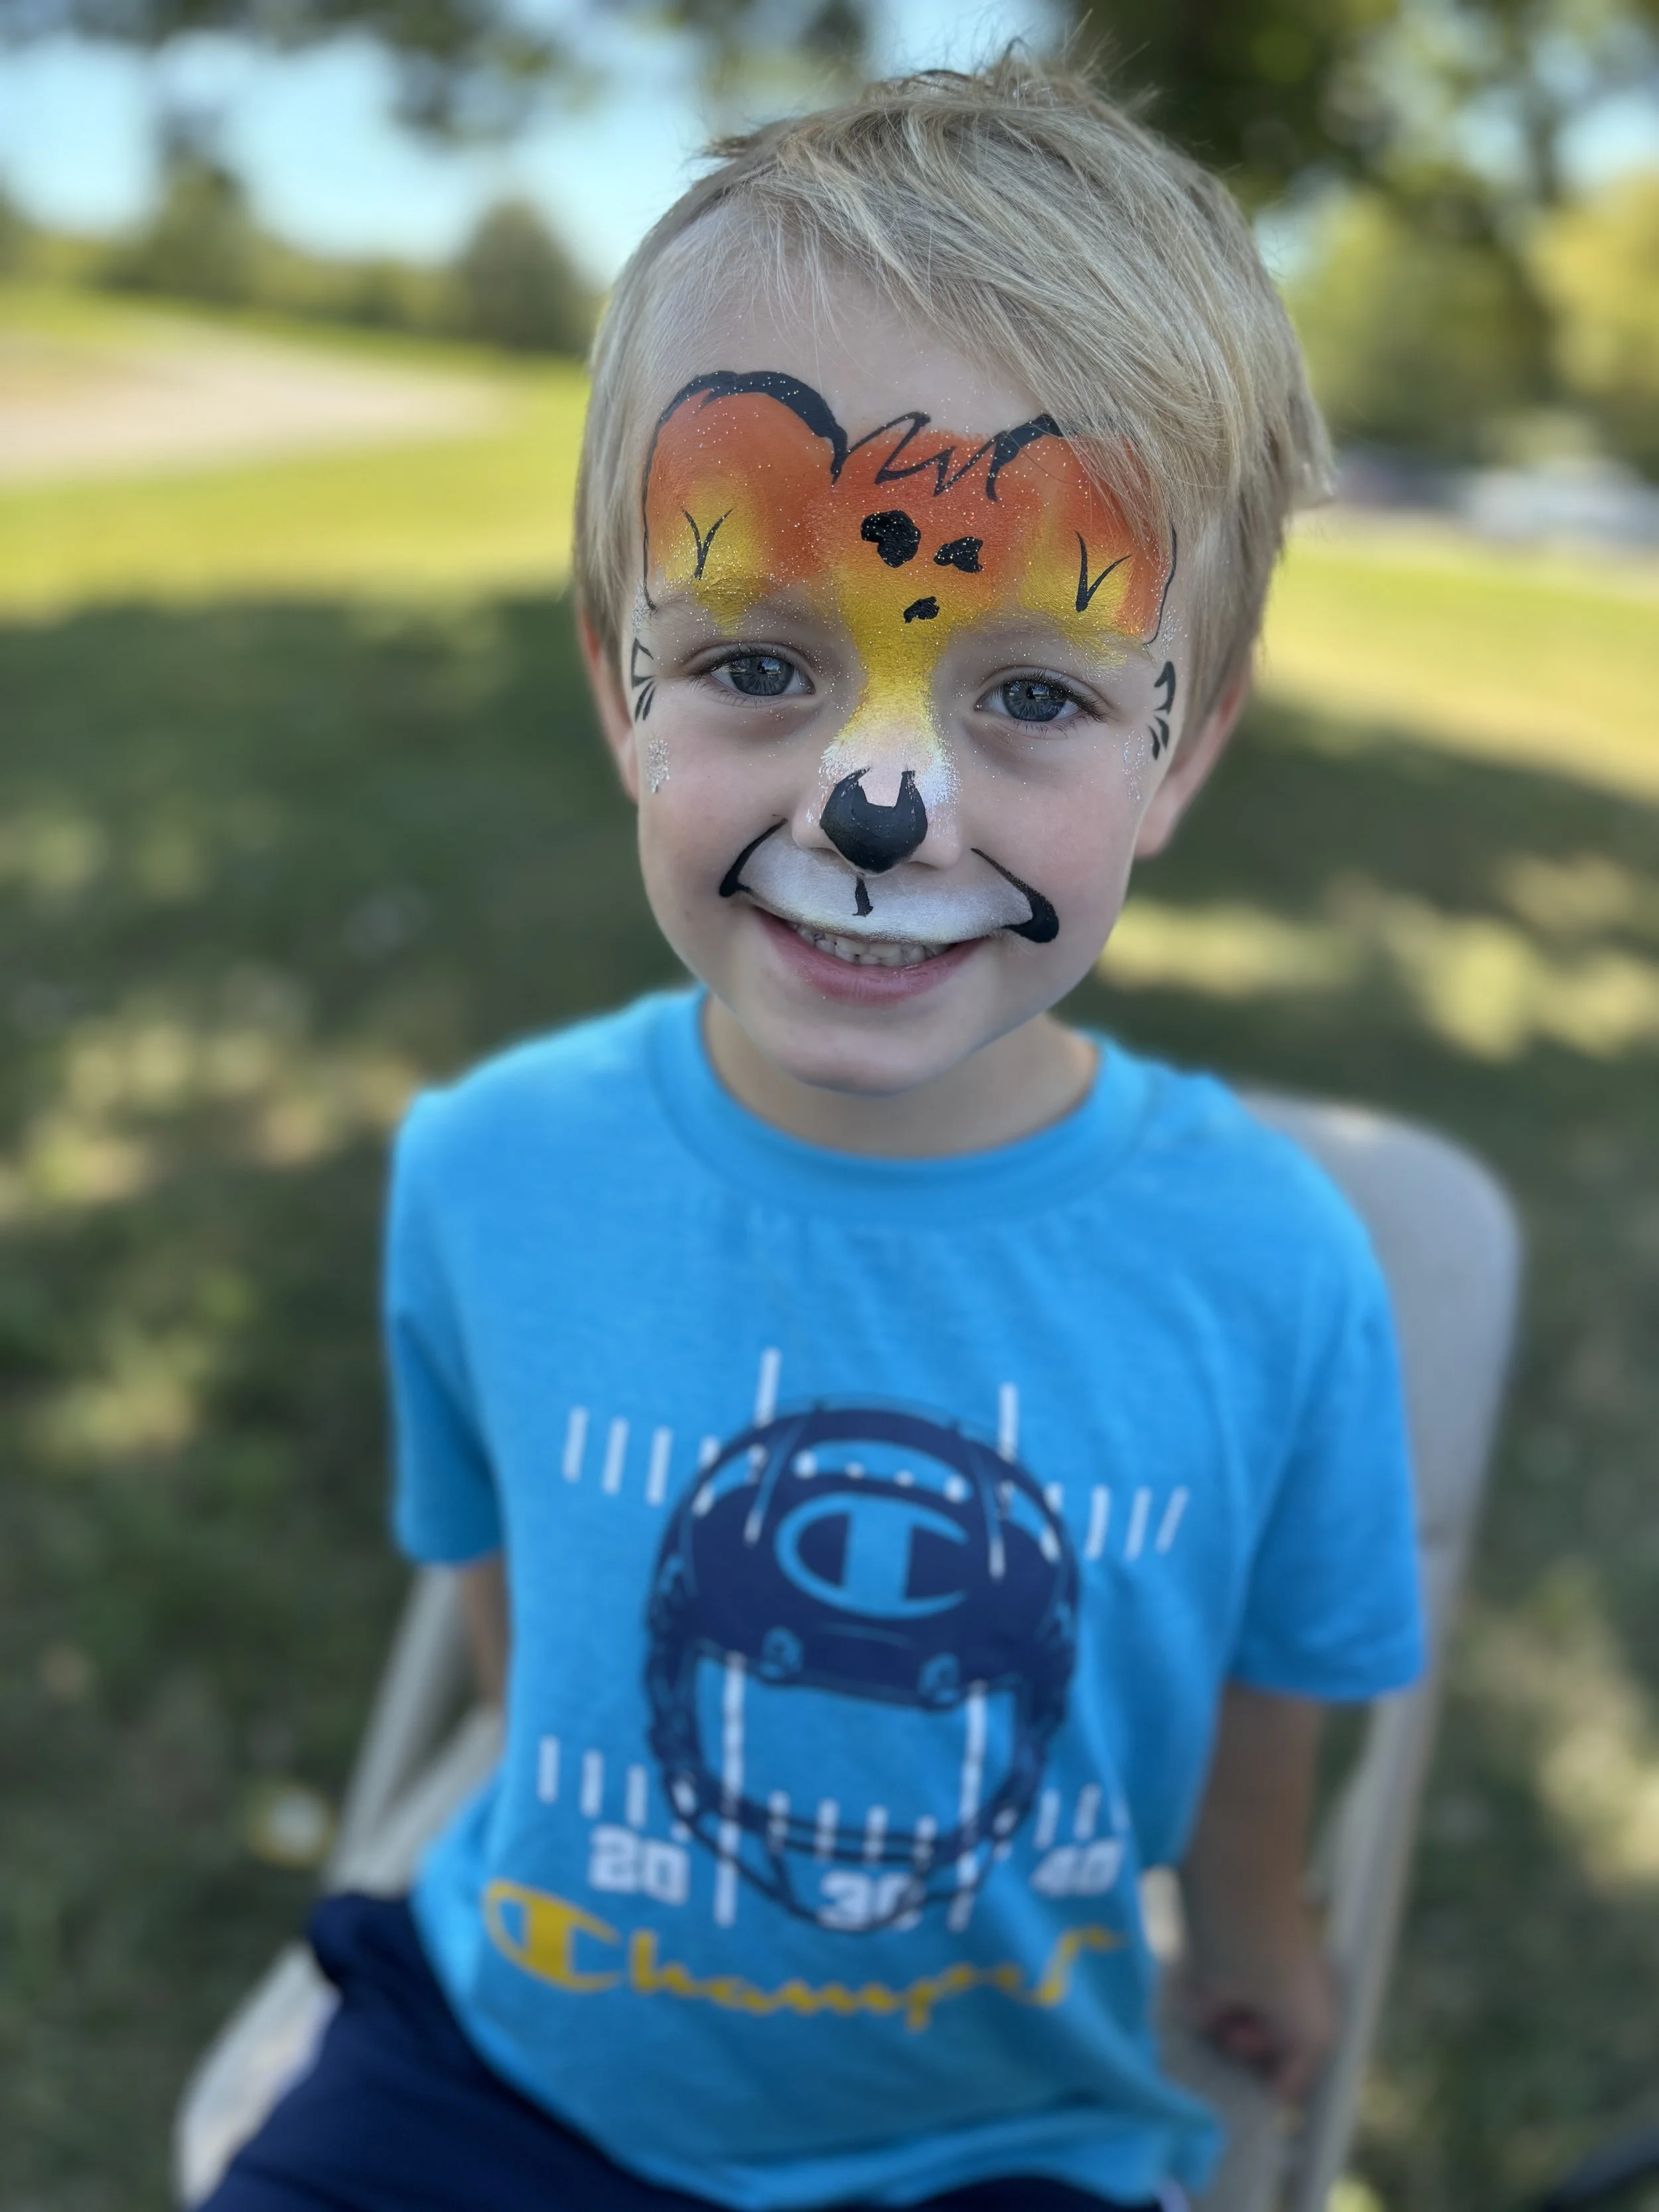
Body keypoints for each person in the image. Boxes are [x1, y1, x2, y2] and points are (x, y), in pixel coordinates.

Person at [206, 54, 1423, 2212]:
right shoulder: (485, 1171)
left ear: (1178, 750)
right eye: (760, 661)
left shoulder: (1272, 1266)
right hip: (508, 2066)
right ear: (620, 688)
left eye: (1032, 695)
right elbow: (524, 1630)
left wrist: (1252, 1929)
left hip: (1002, 2138)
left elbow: (1272, 1683)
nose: (881, 802)